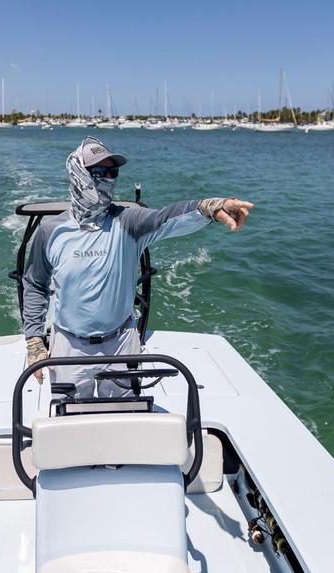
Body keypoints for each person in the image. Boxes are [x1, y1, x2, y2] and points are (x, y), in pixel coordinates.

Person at [23, 136, 254, 397]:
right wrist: (34, 339)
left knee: (126, 413)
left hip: (121, 342)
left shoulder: (128, 222)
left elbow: (165, 218)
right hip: (68, 345)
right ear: (78, 174)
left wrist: (209, 207)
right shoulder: (50, 231)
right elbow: (35, 283)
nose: (108, 179)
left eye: (112, 172)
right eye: (99, 172)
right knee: (69, 414)